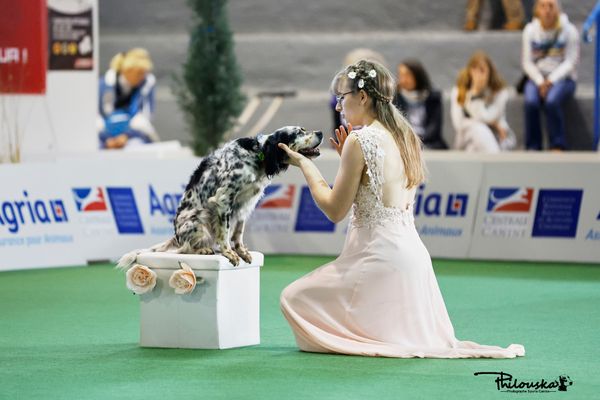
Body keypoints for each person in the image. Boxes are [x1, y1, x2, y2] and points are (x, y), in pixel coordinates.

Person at [278, 59, 525, 358]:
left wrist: (304, 164)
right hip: (414, 265)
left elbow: (334, 210)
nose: (339, 107)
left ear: (364, 97)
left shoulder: (360, 139)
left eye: (343, 99)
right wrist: (348, 159)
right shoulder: (407, 136)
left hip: (376, 261)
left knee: (292, 299)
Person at [522, 0, 580, 151]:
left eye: (551, 6)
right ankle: (533, 146)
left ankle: (557, 144)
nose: (547, 10)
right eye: (543, 6)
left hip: (563, 79)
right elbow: (527, 62)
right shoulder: (529, 31)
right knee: (530, 101)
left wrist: (551, 81)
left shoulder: (570, 30)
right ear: (537, 10)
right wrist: (541, 81)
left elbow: (571, 62)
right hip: (537, 78)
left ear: (558, 10)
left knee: (552, 101)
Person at [451, 51, 517, 152]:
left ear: (489, 72)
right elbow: (458, 124)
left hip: (496, 136)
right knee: (477, 128)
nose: (477, 74)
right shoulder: (458, 91)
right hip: (466, 137)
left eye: (482, 70)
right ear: (469, 71)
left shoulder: (499, 92)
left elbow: (489, 115)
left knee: (473, 147)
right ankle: (494, 162)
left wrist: (476, 95)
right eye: (474, 70)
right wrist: (474, 92)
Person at [98, 48, 159, 149]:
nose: (142, 77)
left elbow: (145, 117)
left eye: (144, 73)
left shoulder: (146, 84)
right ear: (127, 71)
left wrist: (127, 135)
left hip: (133, 135)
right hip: (106, 135)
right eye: (139, 73)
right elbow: (98, 116)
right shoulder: (103, 85)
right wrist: (107, 139)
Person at [393, 59, 448, 150]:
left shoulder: (433, 97)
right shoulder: (395, 97)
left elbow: (434, 127)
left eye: (407, 75)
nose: (403, 80)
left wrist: (419, 141)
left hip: (428, 142)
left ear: (417, 76)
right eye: (401, 75)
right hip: (404, 142)